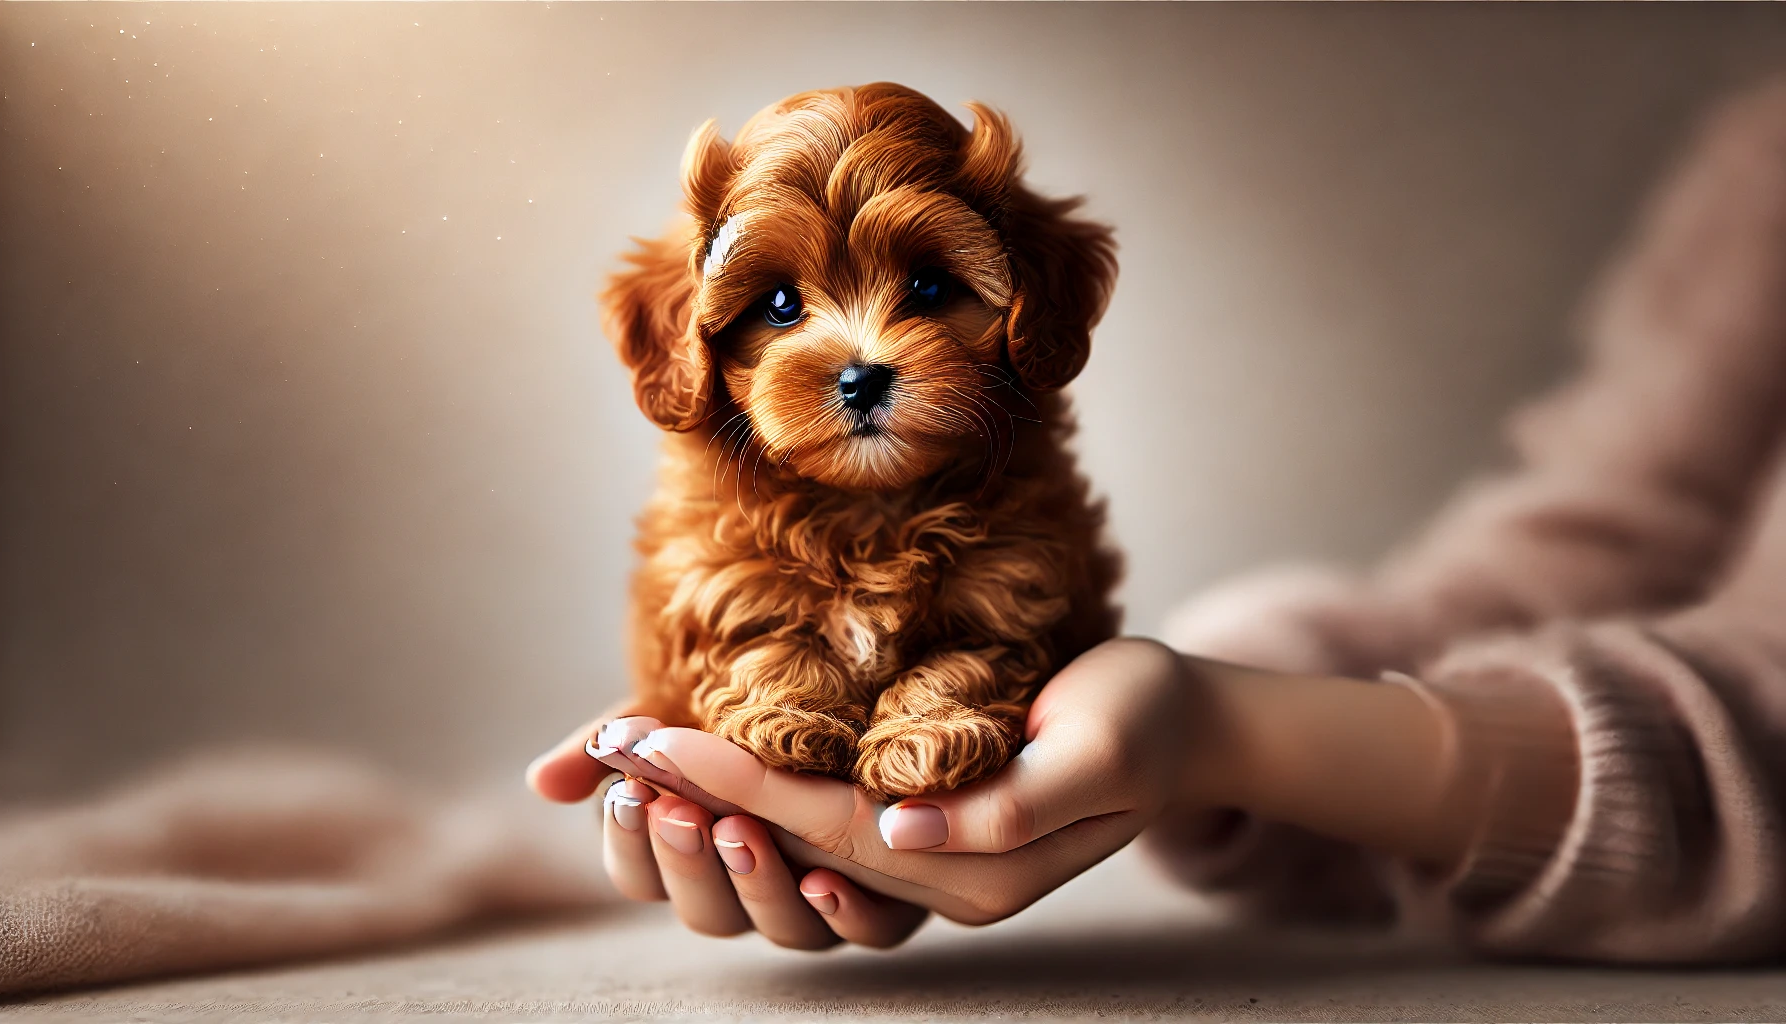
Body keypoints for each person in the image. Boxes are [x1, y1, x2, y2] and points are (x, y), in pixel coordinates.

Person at [528, 78, 1786, 964]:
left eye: (927, 287)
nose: (858, 352)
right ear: (684, 344)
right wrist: (1237, 677)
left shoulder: (1017, 523)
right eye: (778, 305)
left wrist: (1227, 730)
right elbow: (1596, 538)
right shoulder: (1759, 165)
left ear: (1036, 305)